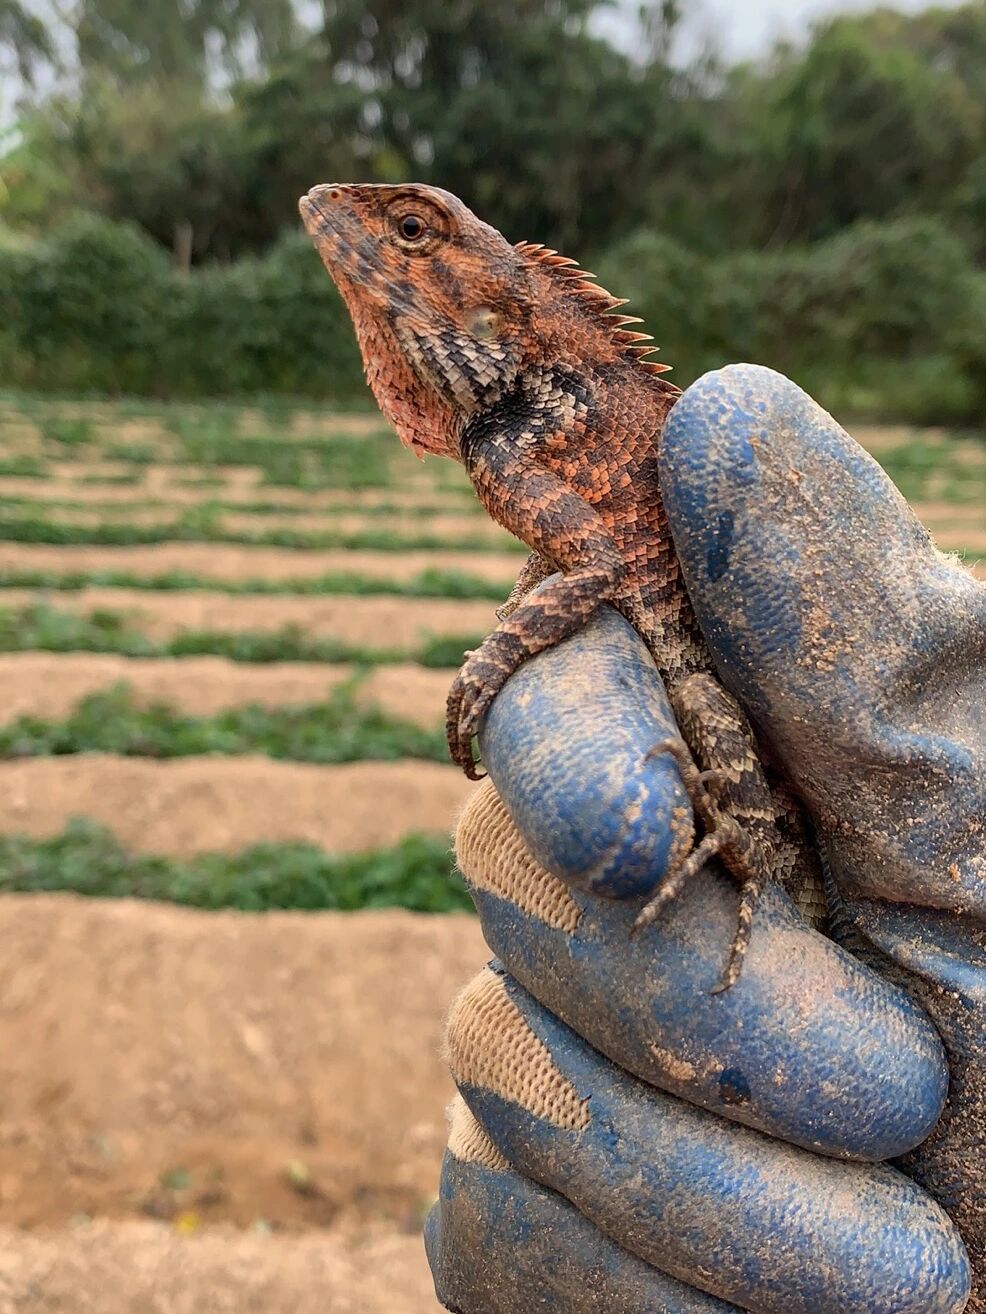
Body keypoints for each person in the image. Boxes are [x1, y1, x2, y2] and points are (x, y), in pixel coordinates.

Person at [424, 365, 986, 1314]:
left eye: (412, 234)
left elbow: (594, 570)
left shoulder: (533, 426)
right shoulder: (514, 432)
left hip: (730, 739)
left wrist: (506, 646)